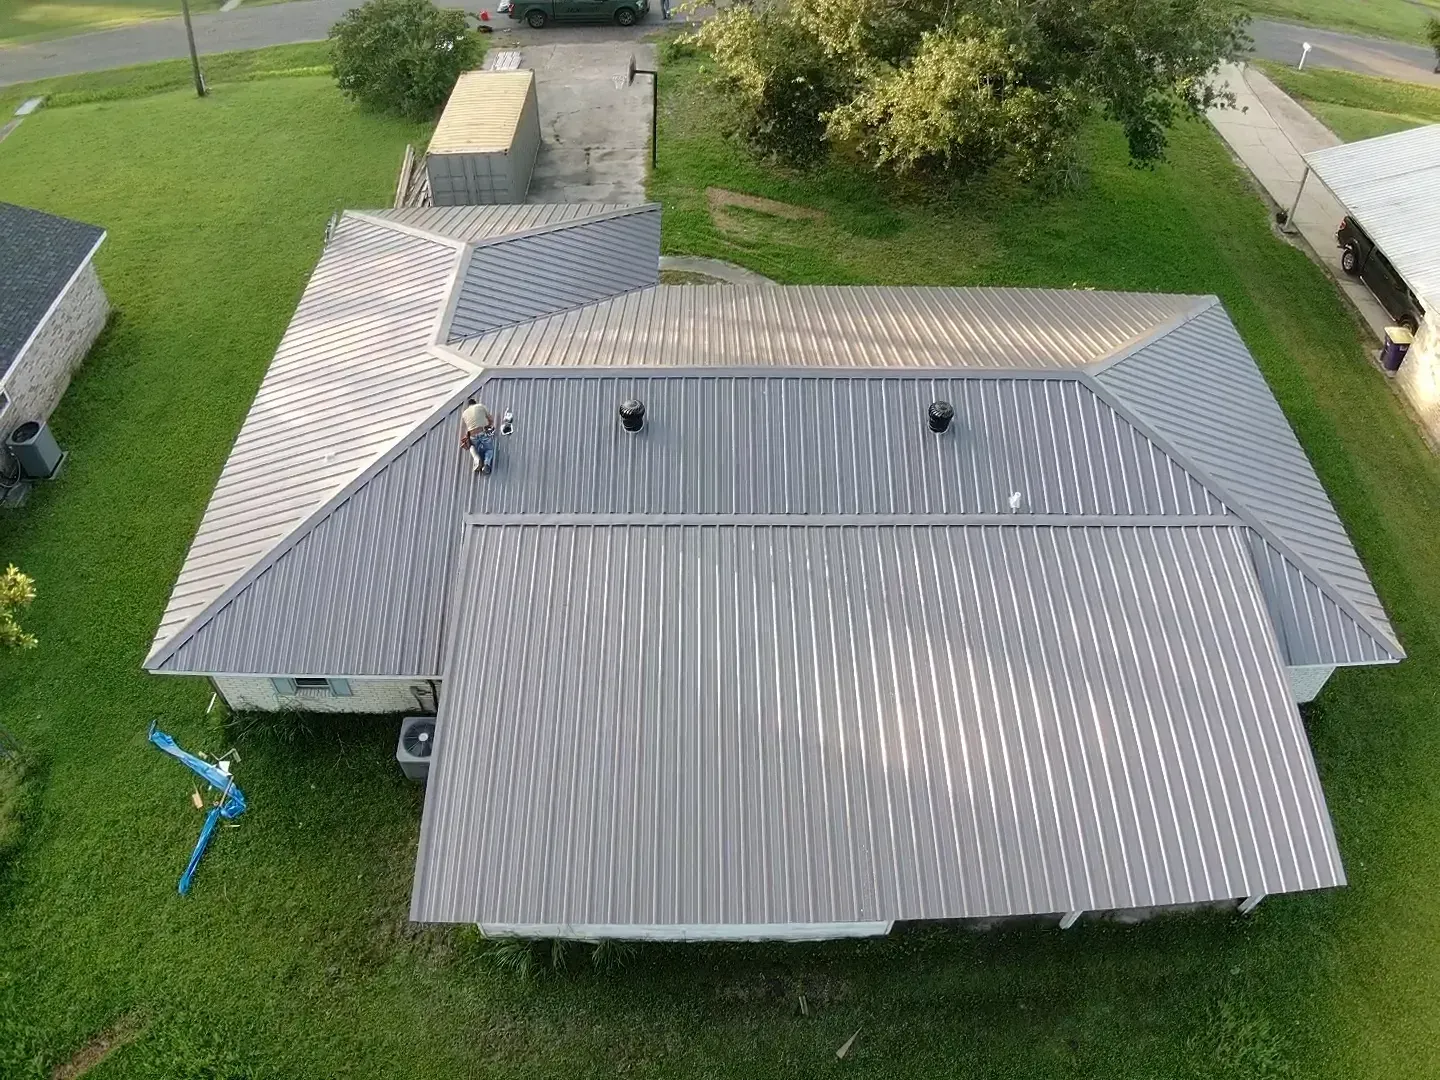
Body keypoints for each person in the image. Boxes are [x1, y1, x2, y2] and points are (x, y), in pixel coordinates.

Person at [459, 397, 496, 474]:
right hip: (482, 431)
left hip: (472, 435)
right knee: (489, 449)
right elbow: (491, 419)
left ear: (469, 406)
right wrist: (489, 425)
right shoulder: (480, 406)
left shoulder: (464, 413)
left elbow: (468, 427)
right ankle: (486, 464)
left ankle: (477, 460)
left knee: (471, 447)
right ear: (475, 403)